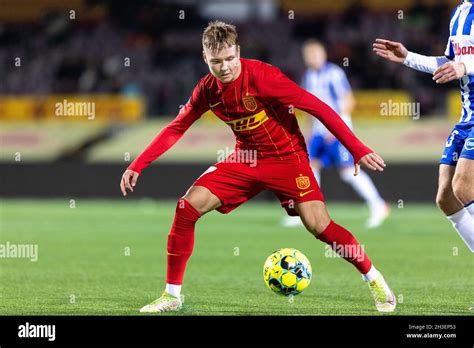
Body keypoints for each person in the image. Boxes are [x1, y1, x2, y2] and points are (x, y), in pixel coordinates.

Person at [121, 21, 396, 313]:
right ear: (205, 58)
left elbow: (318, 107)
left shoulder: (264, 77)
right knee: (186, 207)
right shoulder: (207, 90)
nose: (225, 67)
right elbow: (176, 128)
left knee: (319, 226)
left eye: (230, 59)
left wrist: (355, 147)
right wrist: (138, 163)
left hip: (288, 159)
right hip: (246, 159)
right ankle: (172, 295)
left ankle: (374, 278)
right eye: (216, 62)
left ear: (238, 51)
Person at [373, 0, 474, 252]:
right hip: (467, 116)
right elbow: (450, 62)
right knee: (445, 196)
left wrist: (464, 66)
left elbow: (461, 65)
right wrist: (408, 58)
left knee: (462, 185)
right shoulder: (459, 13)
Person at [282, 40, 389, 229]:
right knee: (309, 168)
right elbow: (308, 108)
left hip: (337, 132)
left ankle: (378, 205)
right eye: (309, 54)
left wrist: (336, 128)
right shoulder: (308, 76)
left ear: (323, 54)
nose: (312, 57)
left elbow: (349, 101)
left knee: (348, 172)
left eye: (315, 53)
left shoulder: (334, 73)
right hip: (318, 132)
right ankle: (307, 212)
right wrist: (307, 131)